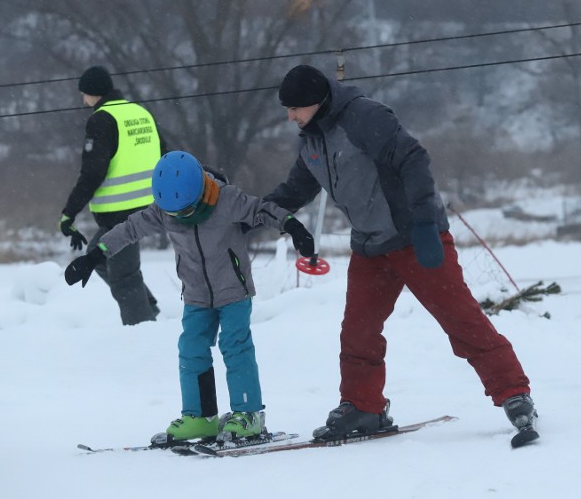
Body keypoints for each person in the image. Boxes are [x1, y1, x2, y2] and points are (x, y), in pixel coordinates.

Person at [265, 64, 539, 444]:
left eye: (295, 108)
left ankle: (514, 395)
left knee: (460, 319)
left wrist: (426, 221)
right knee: (357, 332)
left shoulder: (364, 117)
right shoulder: (311, 139)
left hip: (415, 236)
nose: (290, 117)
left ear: (317, 101)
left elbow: (413, 159)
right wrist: (254, 213)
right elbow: (295, 189)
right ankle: (364, 406)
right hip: (370, 246)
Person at [64, 151, 315, 442]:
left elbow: (263, 209)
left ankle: (249, 415)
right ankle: (200, 417)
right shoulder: (164, 210)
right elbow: (130, 228)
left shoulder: (227, 199)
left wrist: (293, 227)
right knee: (191, 349)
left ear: (200, 195)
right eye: (171, 213)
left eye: (182, 211)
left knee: (235, 346)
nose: (176, 218)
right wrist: (95, 255)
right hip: (196, 295)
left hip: (233, 290)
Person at [59, 65, 165, 326]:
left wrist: (69, 212)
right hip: (149, 207)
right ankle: (147, 306)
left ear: (93, 93)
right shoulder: (141, 113)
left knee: (124, 279)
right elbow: (165, 154)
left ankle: (144, 331)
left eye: (84, 94)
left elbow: (92, 172)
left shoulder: (102, 118)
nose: (84, 101)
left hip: (121, 213)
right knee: (96, 254)